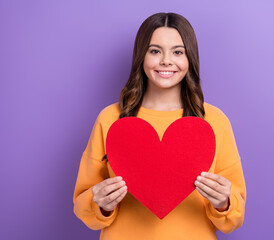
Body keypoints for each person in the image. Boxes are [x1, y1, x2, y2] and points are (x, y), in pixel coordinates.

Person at [73, 12, 246, 240]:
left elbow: (235, 215)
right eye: (155, 51)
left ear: (190, 58)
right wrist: (101, 203)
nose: (166, 60)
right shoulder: (110, 119)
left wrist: (224, 202)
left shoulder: (214, 120)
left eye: (177, 52)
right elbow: (83, 206)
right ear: (141, 56)